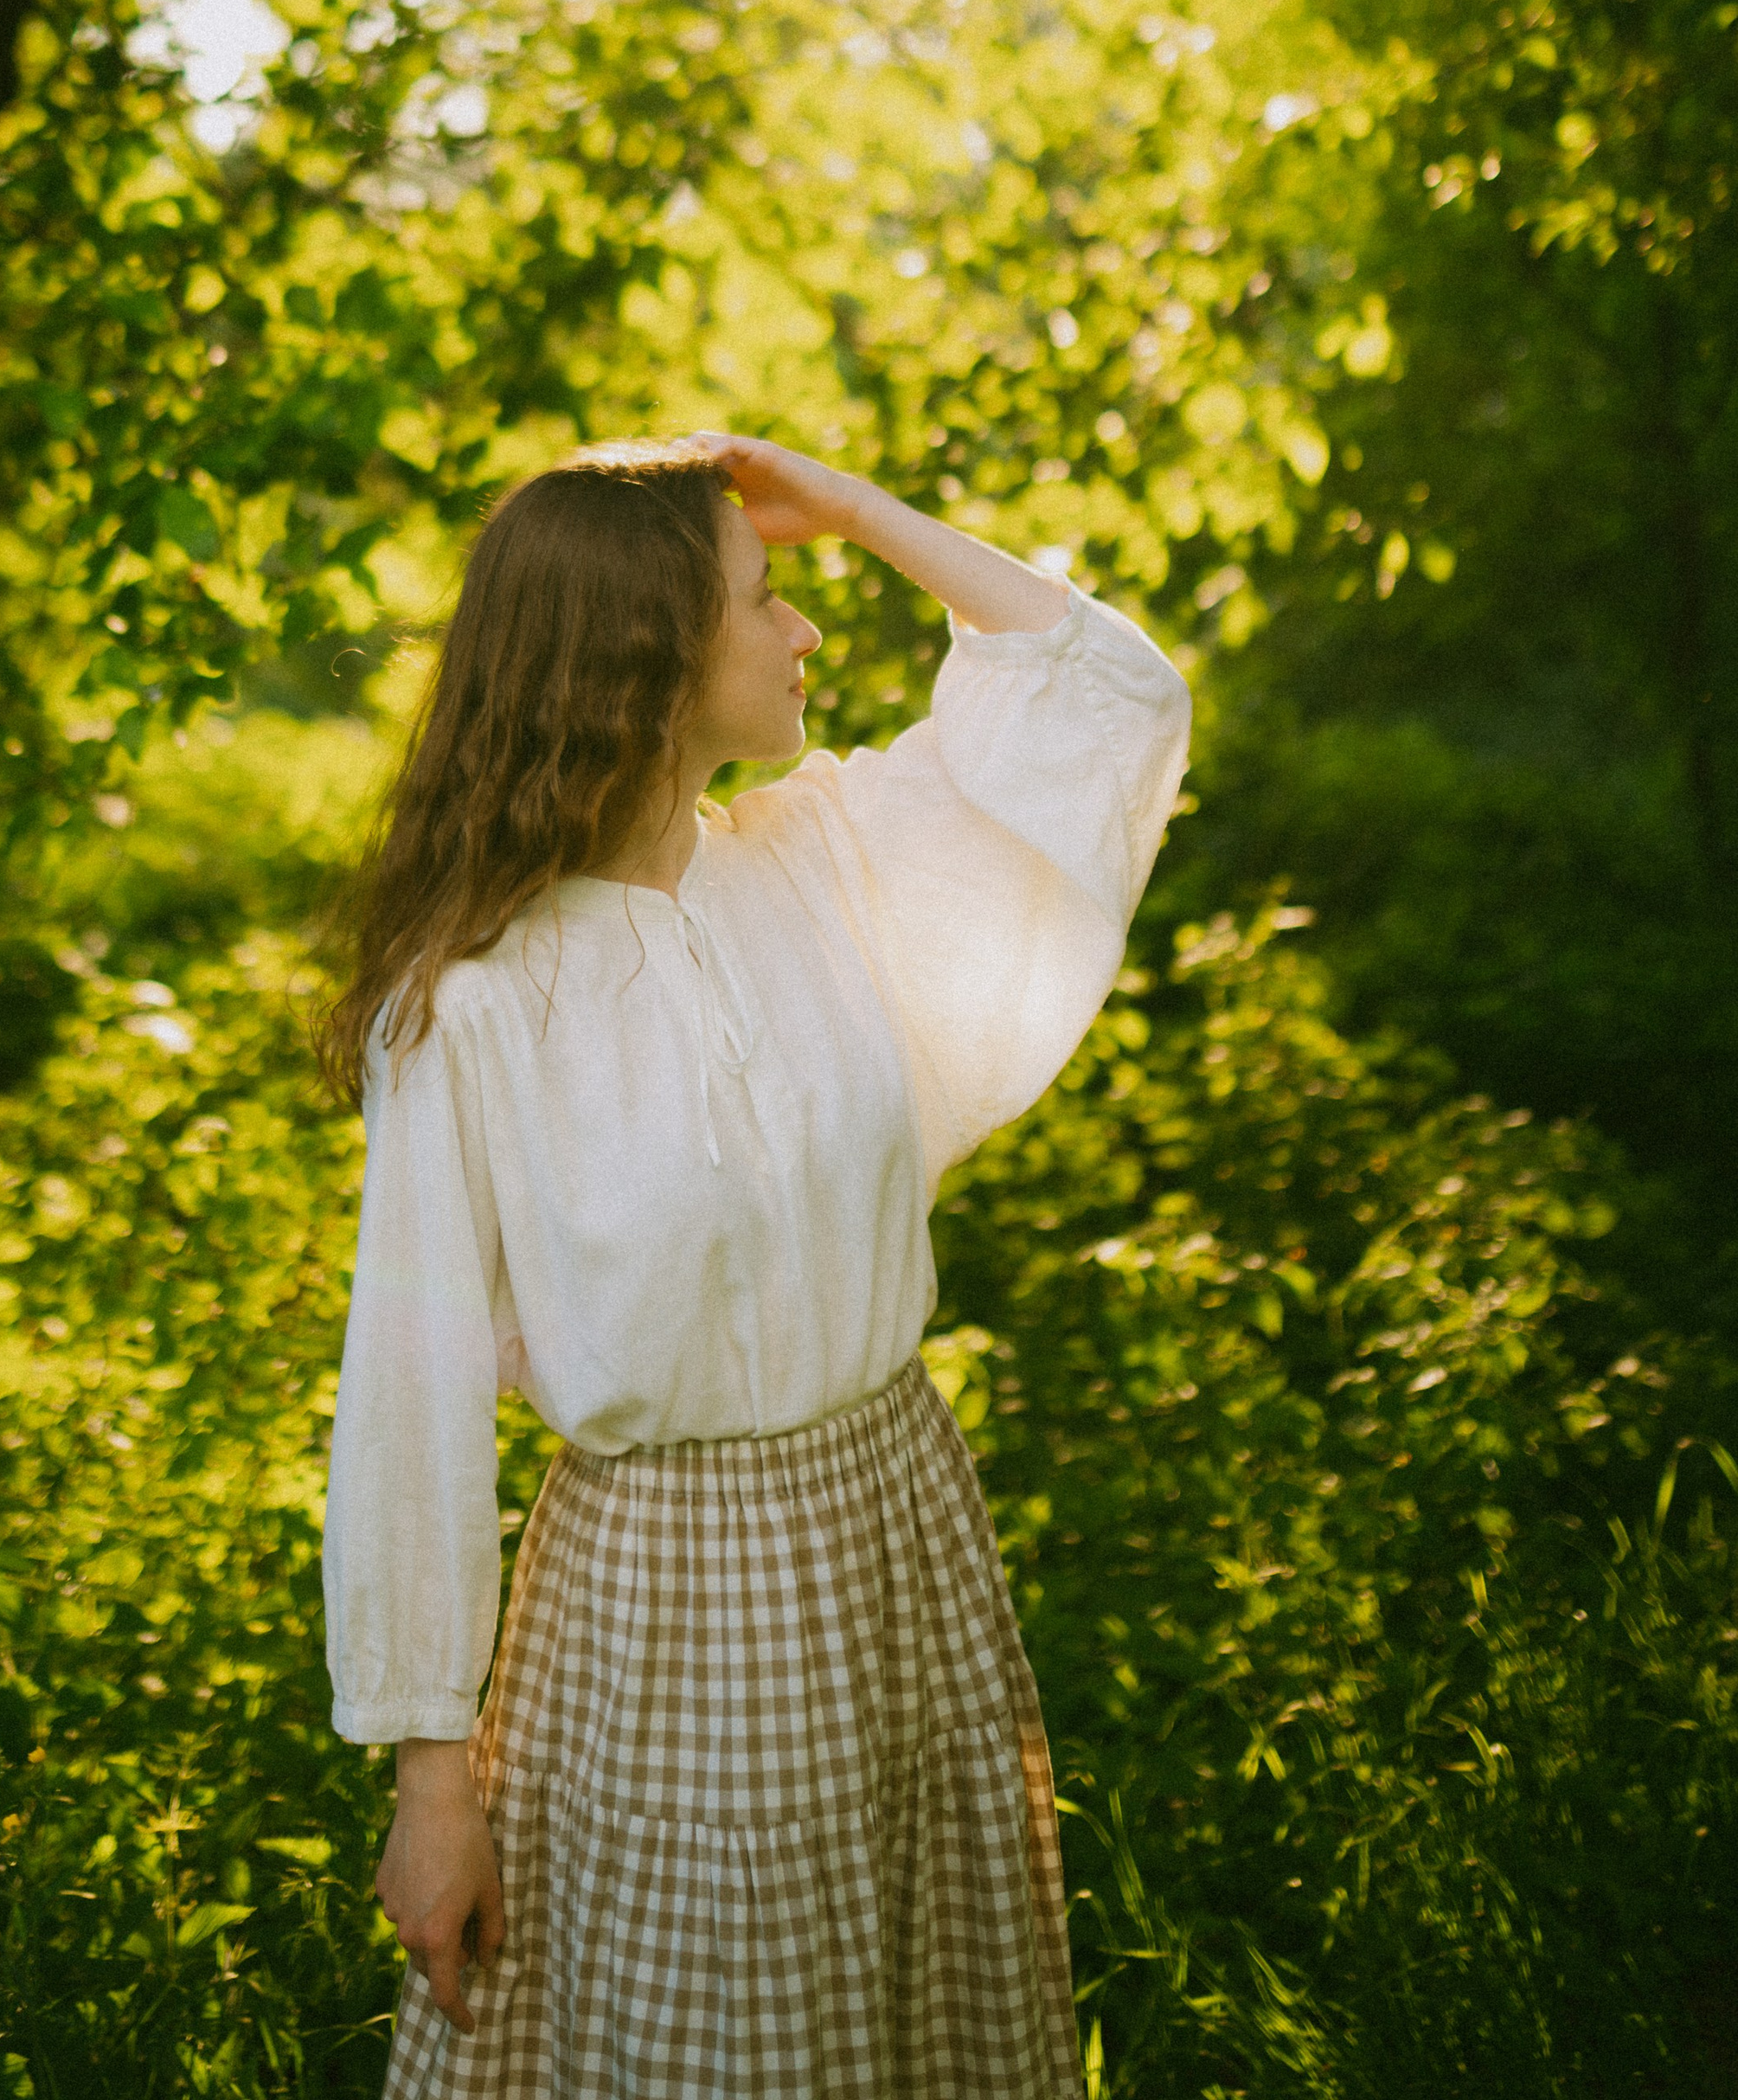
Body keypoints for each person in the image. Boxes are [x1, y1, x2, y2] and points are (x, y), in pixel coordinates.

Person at [317, 432, 1191, 2096]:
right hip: (670, 1595)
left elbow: (1110, 700)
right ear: (645, 658)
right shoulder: (473, 1002)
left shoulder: (817, 857)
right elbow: (407, 1406)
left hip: (898, 1527)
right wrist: (435, 1786)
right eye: (763, 596)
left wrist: (852, 506)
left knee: (918, 2022)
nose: (806, 627)